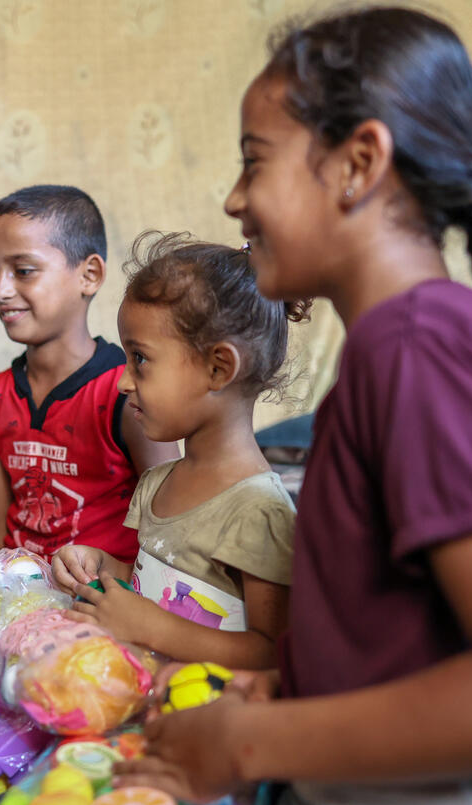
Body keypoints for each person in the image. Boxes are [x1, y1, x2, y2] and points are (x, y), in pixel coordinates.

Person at [114, 9, 472, 805]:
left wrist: (249, 746)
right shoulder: (427, 345)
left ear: (359, 163)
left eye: (254, 162)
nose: (234, 199)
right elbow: (416, 629)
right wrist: (281, 690)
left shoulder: (421, 355)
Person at [0, 187, 176, 643]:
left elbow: (171, 530)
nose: (0, 290)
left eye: (23, 271)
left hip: (97, 612)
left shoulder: (125, 392)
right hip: (9, 608)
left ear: (88, 275)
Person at [50, 233, 302, 668]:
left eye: (140, 359)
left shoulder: (260, 512)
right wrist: (106, 568)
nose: (124, 380)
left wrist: (147, 626)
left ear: (218, 368)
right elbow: (160, 591)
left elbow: (272, 654)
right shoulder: (157, 483)